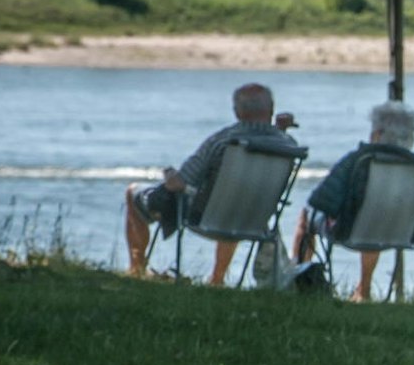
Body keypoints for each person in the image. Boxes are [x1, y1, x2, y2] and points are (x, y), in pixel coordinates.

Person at [123, 82, 300, 285]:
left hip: (206, 218)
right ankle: (217, 278)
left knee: (133, 192)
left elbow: (180, 182)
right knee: (237, 198)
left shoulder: (223, 141)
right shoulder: (288, 145)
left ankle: (136, 267)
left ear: (236, 112)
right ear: (271, 109)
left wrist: (171, 176)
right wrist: (280, 130)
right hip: (254, 221)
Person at [292, 100, 414, 302]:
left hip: (350, 230)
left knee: (307, 215)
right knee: (378, 214)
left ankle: (297, 279)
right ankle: (363, 289)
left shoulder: (358, 160)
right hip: (405, 233)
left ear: (376, 134)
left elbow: (320, 201)